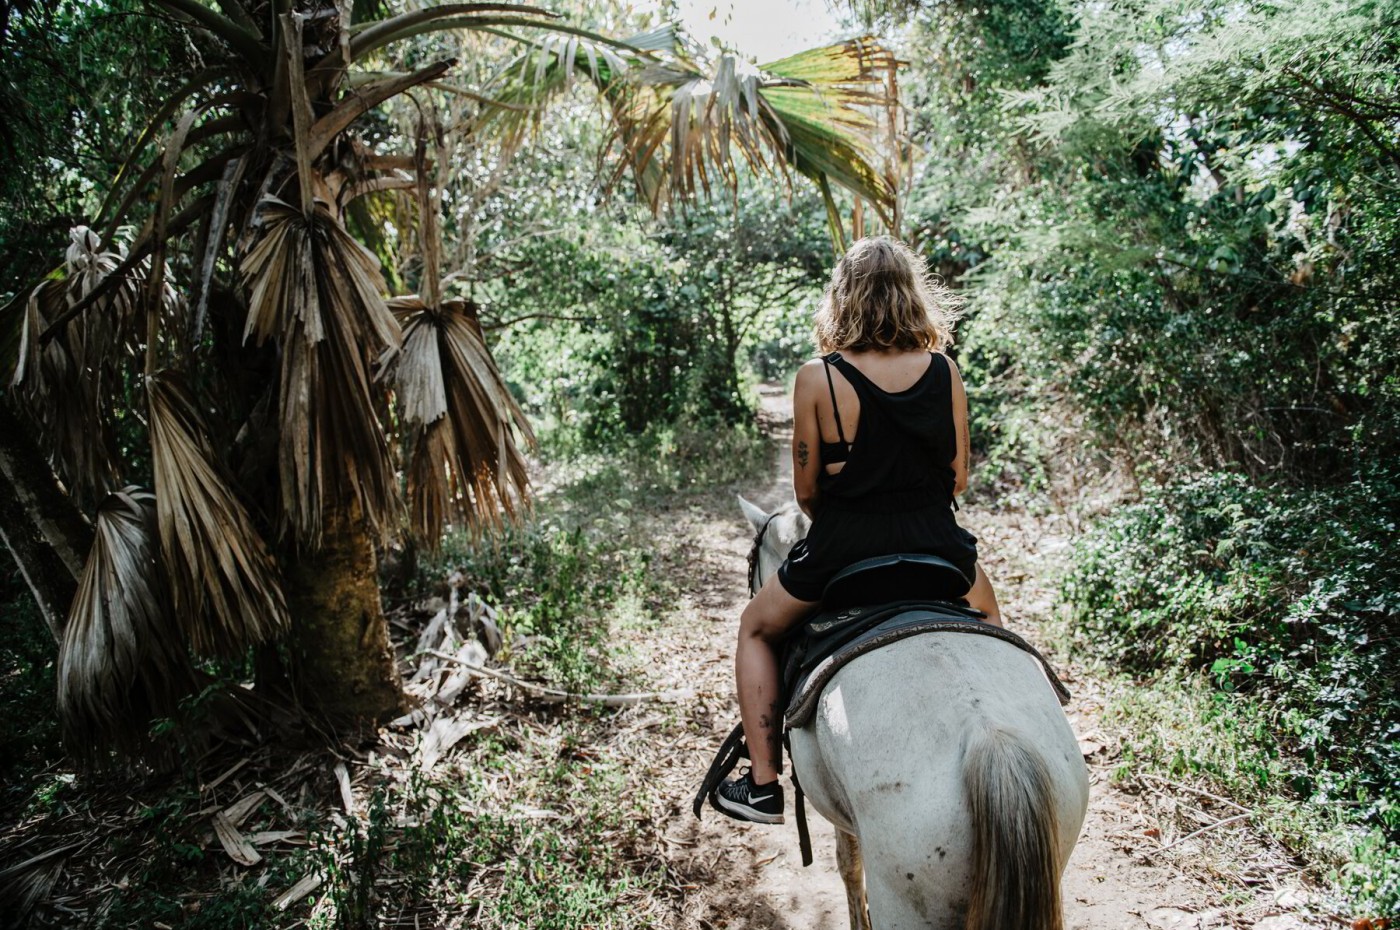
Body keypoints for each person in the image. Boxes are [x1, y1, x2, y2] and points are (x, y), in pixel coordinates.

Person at [713, 236, 1005, 825]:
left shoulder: (817, 377)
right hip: (937, 544)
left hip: (845, 545)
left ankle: (763, 784)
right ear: (910, 294)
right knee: (994, 630)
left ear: (843, 297)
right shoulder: (945, 371)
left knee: (755, 628)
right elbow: (958, 480)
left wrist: (854, 522)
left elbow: (807, 494)